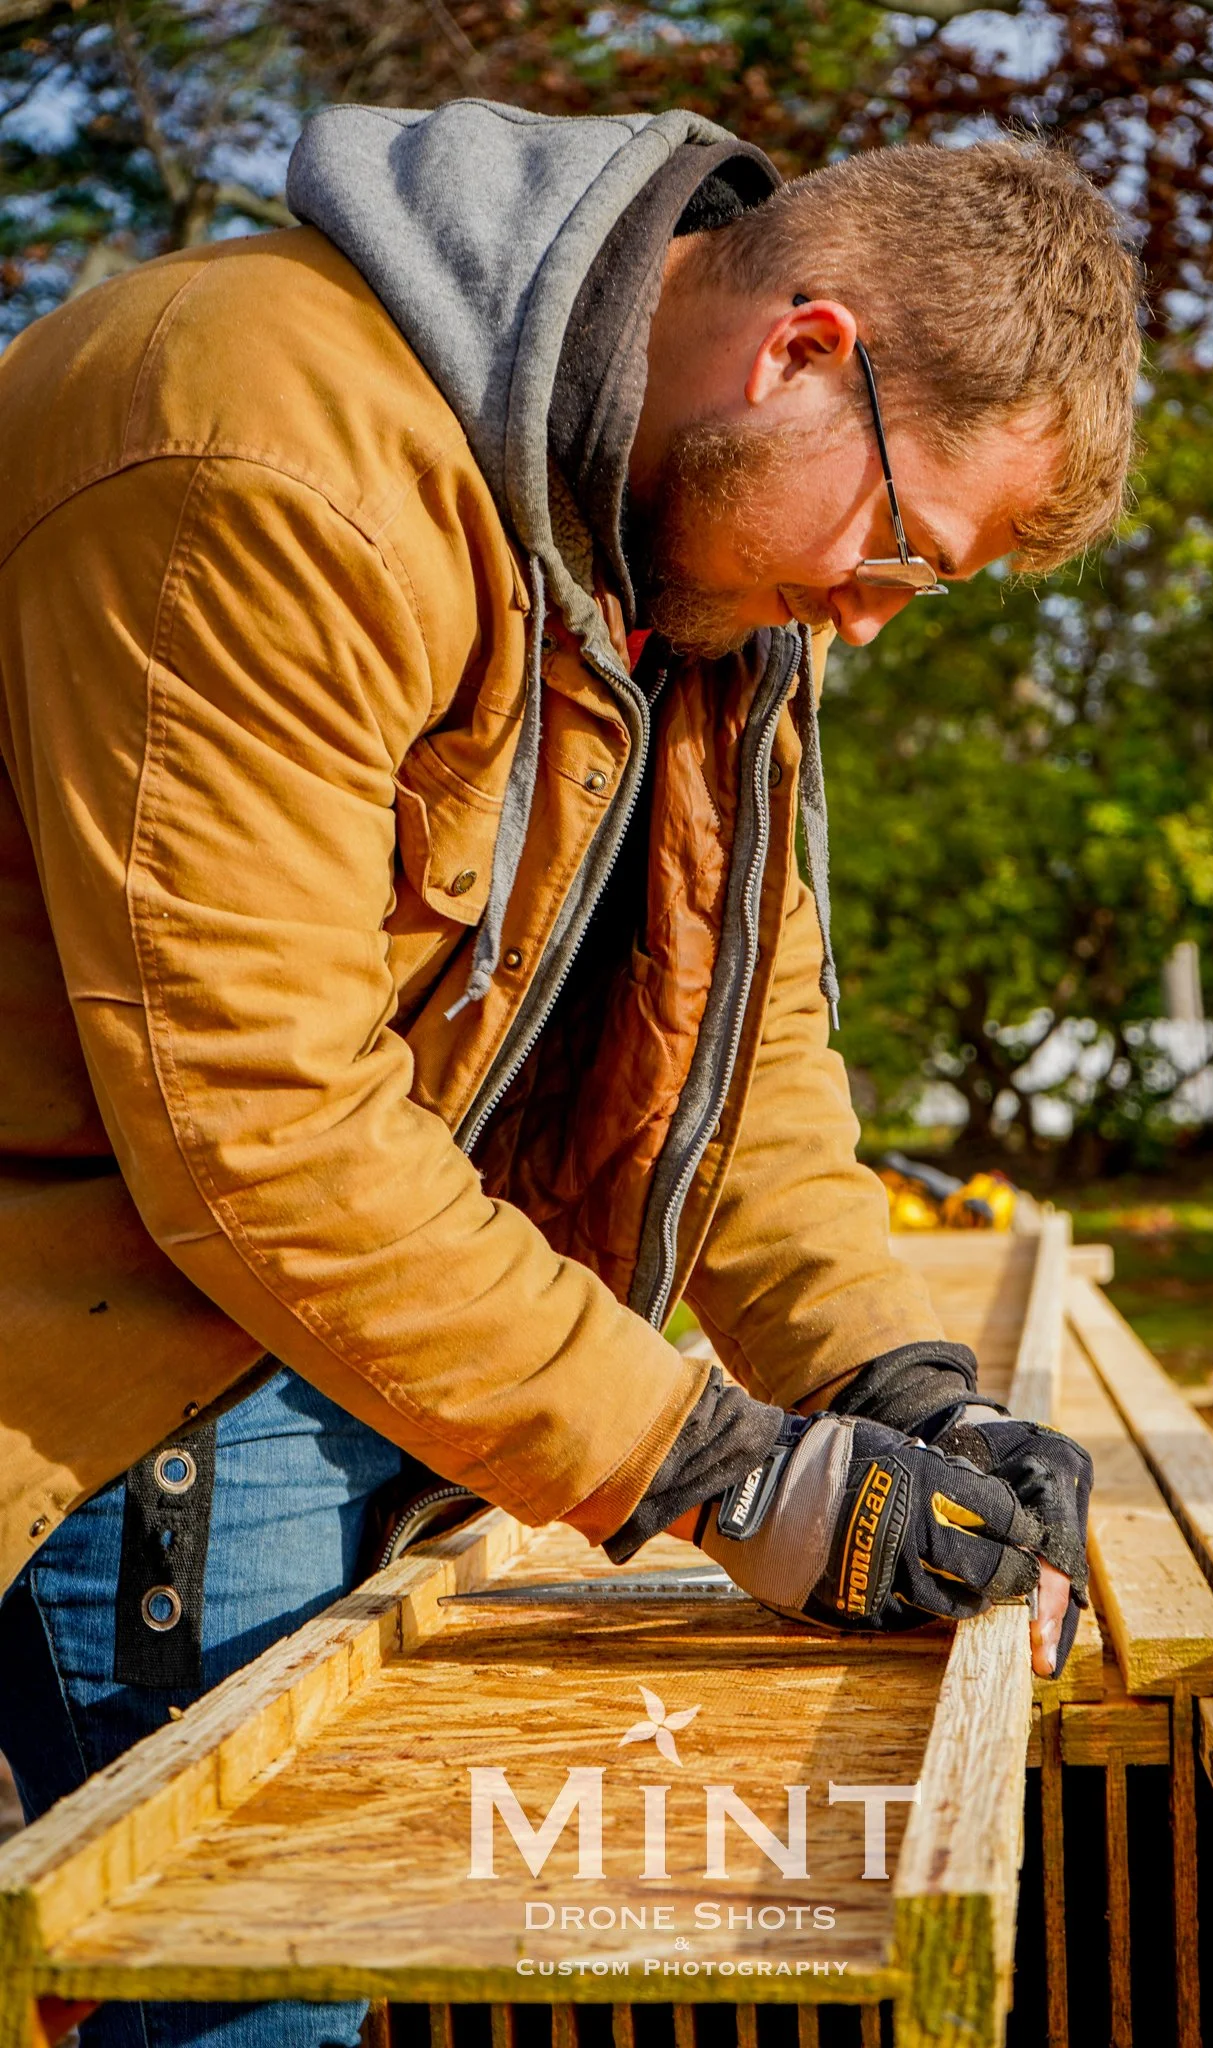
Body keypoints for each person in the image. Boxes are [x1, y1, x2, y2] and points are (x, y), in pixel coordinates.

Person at [0, 101, 1136, 2048]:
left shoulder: (702, 570)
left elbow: (749, 1063)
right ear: (802, 353)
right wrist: (730, 1468)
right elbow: (253, 1130)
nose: (866, 618)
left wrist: (893, 1384)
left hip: (384, 1324)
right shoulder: (259, 440)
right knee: (255, 1992)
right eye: (899, 552)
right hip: (135, 1342)